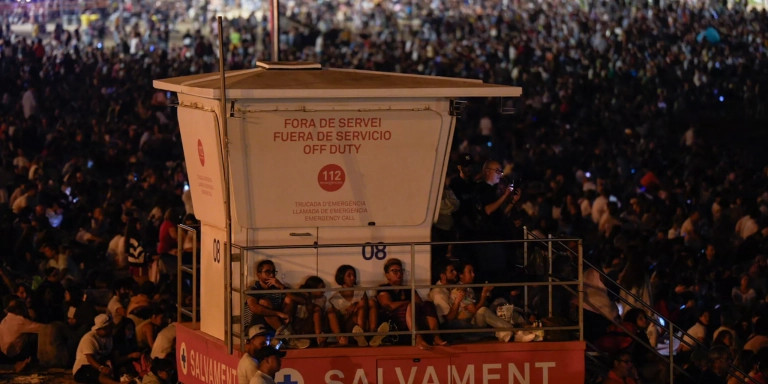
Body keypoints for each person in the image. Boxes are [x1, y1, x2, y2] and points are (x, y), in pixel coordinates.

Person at [376, 258, 446, 348]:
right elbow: (389, 306)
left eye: (401, 271)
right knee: (410, 305)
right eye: (394, 271)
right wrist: (407, 303)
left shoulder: (408, 289)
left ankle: (436, 337)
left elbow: (420, 304)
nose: (399, 274)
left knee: (427, 304)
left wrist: (411, 304)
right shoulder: (384, 288)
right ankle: (418, 338)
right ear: (387, 275)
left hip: (413, 318)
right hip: (395, 320)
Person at [327, 264, 384, 346]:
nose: (352, 278)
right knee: (332, 312)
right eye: (349, 276)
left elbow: (364, 306)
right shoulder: (335, 298)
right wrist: (349, 312)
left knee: (371, 302)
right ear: (342, 277)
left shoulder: (360, 291)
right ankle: (344, 338)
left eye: (354, 275)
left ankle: (371, 334)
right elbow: (338, 320)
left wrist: (355, 306)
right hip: (349, 325)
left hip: (362, 321)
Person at [72, 314, 120, 384]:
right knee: (97, 373)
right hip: (83, 367)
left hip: (99, 364)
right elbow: (90, 359)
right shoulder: (89, 338)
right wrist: (101, 368)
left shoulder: (109, 337)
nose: (111, 329)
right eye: (109, 327)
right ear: (101, 328)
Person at [0, 297, 44, 372]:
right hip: (14, 355)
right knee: (35, 336)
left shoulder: (4, 321)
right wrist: (33, 317)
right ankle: (32, 361)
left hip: (3, 355)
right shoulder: (20, 321)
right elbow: (42, 328)